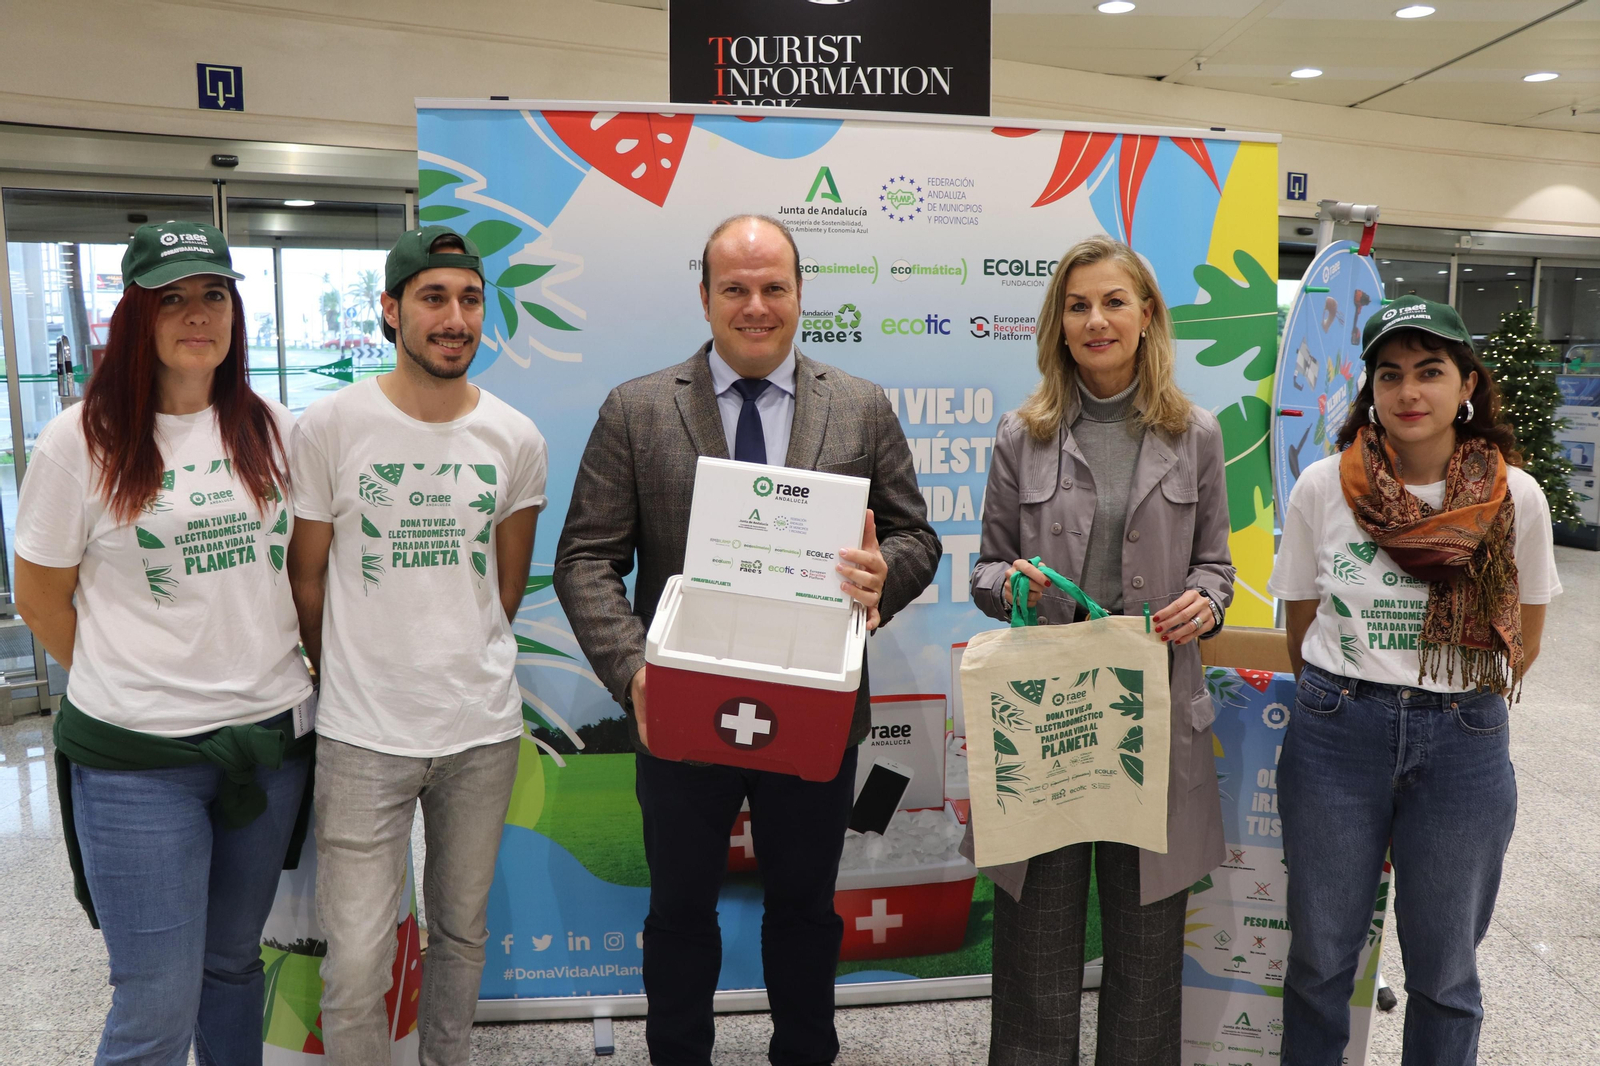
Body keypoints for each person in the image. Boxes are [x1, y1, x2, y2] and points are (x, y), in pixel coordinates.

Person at [554, 214, 940, 1066]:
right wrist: (637, 676)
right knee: (680, 913)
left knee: (805, 911)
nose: (755, 305)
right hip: (684, 715)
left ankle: (805, 1055)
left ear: (801, 295)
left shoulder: (862, 405)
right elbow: (583, 559)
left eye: (774, 287)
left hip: (815, 713)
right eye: (735, 288)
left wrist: (887, 574)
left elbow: (917, 538)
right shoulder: (639, 409)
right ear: (705, 297)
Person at [14, 221, 313, 1065]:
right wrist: (135, 675)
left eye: (213, 294)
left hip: (268, 748)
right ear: (135, 316)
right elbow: (38, 599)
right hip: (137, 764)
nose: (197, 313)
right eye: (172, 297)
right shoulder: (81, 440)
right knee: (154, 1002)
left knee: (231, 969)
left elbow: (291, 575)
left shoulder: (273, 428)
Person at [1268, 296, 1560, 1065]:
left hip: (1463, 738)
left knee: (1445, 974)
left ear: (1467, 384)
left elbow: (1524, 641)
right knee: (1320, 961)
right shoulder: (1323, 487)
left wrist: (1448, 692)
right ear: (1369, 390)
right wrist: (1351, 689)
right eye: (1389, 374)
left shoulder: (1515, 497)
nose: (1409, 393)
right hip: (1337, 735)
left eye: (1430, 372)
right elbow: (1301, 623)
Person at [969, 233, 1235, 1065]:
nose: (1096, 320)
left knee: (1147, 944)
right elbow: (985, 568)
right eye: (1078, 305)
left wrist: (1208, 600)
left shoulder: (1196, 434)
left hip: (1152, 714)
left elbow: (1218, 566)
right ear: (1059, 324)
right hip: (1049, 718)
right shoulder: (1024, 433)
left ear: (1148, 315)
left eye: (1114, 301)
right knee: (1037, 945)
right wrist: (1009, 586)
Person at [286, 225, 548, 1065]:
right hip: (363, 735)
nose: (455, 318)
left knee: (461, 931)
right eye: (434, 298)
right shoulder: (331, 427)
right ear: (391, 311)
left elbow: (504, 589)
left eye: (470, 300)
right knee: (358, 959)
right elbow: (307, 579)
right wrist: (349, 671)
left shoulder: (516, 438)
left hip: (480, 731)